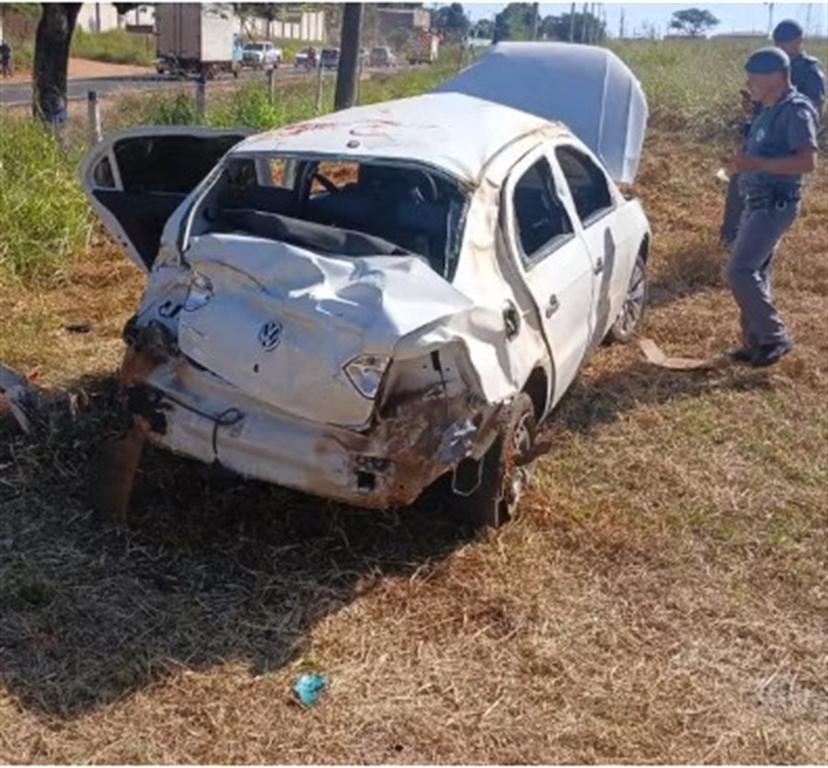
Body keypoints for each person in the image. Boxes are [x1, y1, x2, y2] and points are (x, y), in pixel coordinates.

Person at [723, 47, 818, 367]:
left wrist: (756, 164)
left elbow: (807, 162)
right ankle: (757, 342)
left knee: (739, 271)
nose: (748, 84)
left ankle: (775, 336)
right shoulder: (768, 109)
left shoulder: (796, 111)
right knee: (756, 271)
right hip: (757, 201)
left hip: (774, 204)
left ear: (775, 77)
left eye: (753, 78)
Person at [719, 19, 825, 247]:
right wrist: (753, 107)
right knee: (740, 184)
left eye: (785, 43)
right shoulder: (771, 63)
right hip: (761, 132)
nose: (780, 48)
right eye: (777, 43)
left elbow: (812, 112)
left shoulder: (810, 72)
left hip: (783, 141)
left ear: (799, 41)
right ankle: (731, 238)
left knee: (766, 192)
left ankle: (753, 246)